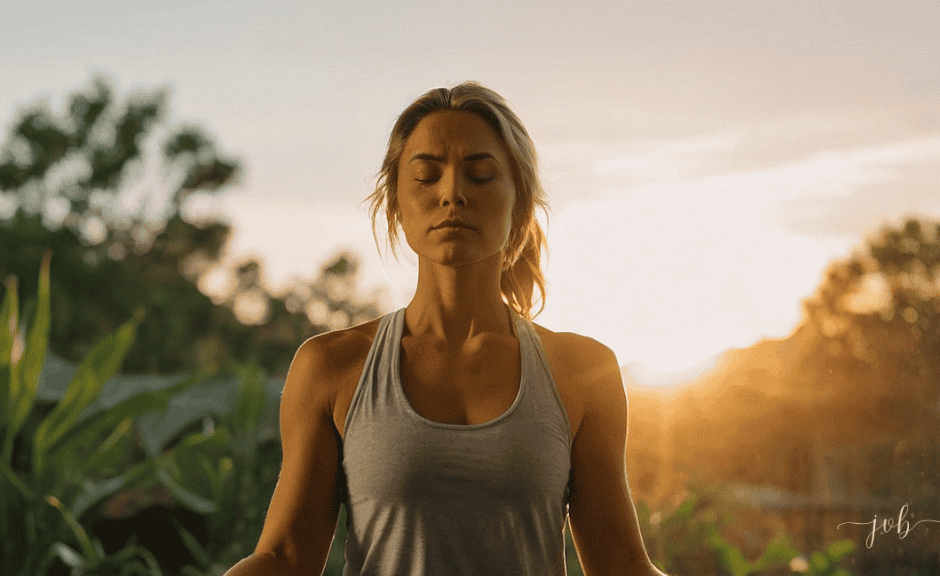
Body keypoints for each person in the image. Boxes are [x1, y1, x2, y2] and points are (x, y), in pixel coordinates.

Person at [224, 82, 668, 576]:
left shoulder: (585, 371)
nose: (452, 193)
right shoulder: (332, 367)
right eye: (426, 175)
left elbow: (621, 564)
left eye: (480, 175)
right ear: (395, 201)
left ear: (519, 202)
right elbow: (285, 559)